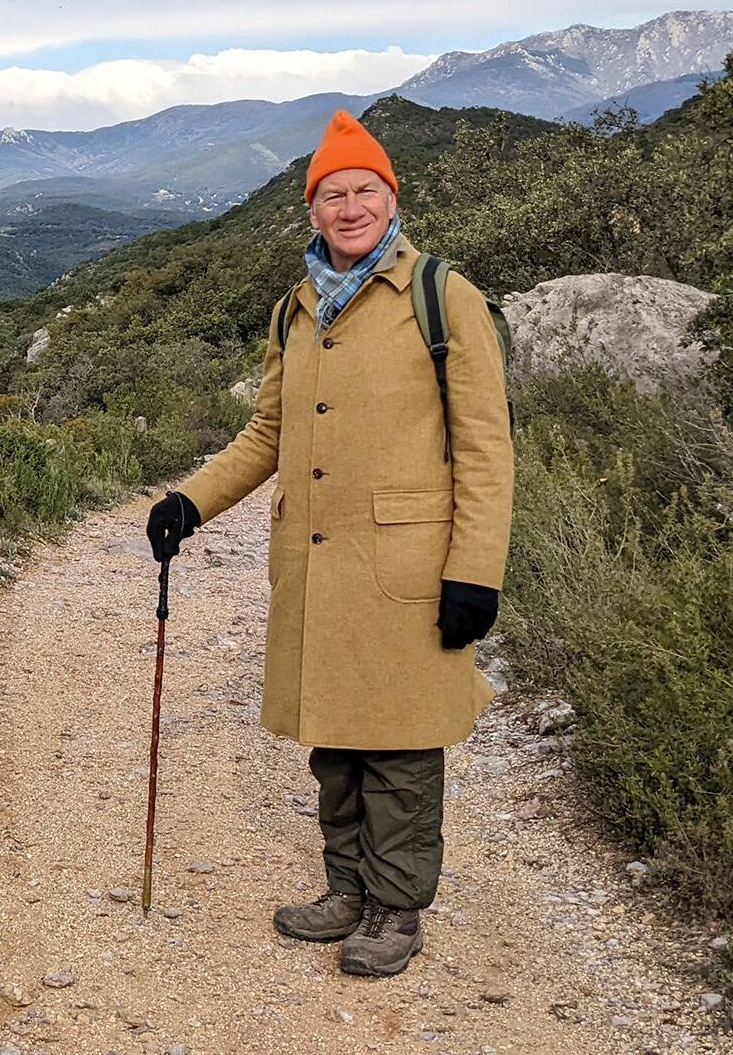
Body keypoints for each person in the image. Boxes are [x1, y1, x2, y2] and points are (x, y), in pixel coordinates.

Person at [143, 109, 514, 978]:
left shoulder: (442, 296)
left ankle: (395, 909)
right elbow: (267, 433)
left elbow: (487, 447)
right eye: (332, 194)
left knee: (401, 745)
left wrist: (475, 572)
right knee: (338, 747)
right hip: (315, 564)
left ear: (393, 197)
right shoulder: (295, 309)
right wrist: (191, 503)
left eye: (365, 191)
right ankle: (346, 889)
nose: (350, 208)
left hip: (411, 571)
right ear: (311, 209)